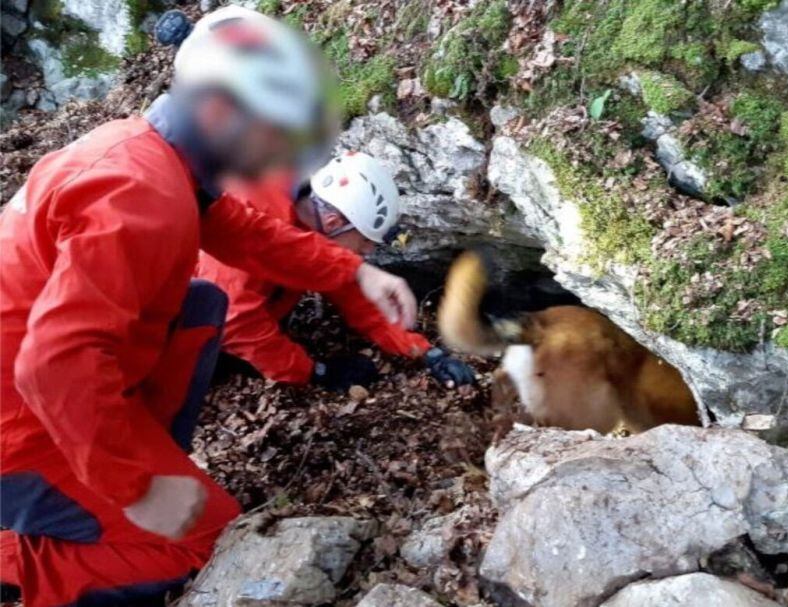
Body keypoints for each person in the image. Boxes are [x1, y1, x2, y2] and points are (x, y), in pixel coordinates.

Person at [0, 7, 417, 606]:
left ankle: (129, 465)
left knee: (199, 304)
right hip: (22, 427)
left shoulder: (154, 160)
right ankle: (21, 563)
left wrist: (355, 269)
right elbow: (54, 366)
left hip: (49, 386)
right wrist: (141, 488)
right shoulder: (138, 196)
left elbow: (245, 232)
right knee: (201, 539)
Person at [199, 152, 476, 390]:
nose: (368, 251)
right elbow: (235, 320)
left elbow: (351, 290)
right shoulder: (253, 215)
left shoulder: (309, 219)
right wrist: (313, 372)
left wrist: (427, 353)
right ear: (333, 222)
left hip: (244, 310)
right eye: (365, 240)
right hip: (187, 328)